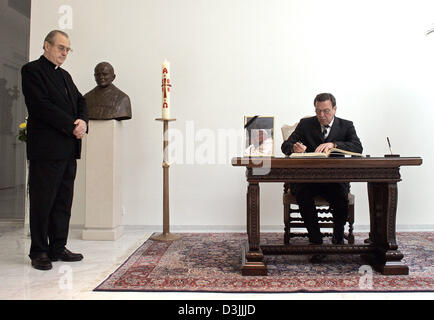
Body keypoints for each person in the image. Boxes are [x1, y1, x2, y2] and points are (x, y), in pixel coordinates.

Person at [21, 30, 88, 270]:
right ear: (46, 46)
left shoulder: (66, 76)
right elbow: (41, 106)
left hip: (68, 150)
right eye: (61, 47)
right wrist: (72, 126)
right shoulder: (31, 71)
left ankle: (58, 247)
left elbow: (81, 101)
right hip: (46, 151)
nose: (64, 53)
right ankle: (39, 251)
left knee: (62, 202)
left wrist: (82, 120)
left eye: (67, 49)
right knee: (42, 202)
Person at [281, 93, 362, 261]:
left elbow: (357, 147)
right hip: (308, 179)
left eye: (326, 111)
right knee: (303, 195)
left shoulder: (346, 126)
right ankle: (316, 242)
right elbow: (285, 146)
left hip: (334, 179)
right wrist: (294, 147)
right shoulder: (305, 124)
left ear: (334, 109)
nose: (322, 115)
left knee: (340, 196)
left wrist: (334, 144)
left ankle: (338, 238)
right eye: (318, 111)